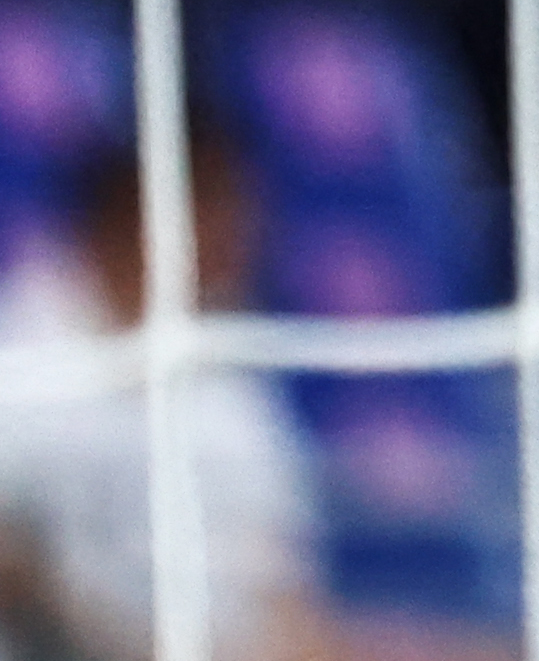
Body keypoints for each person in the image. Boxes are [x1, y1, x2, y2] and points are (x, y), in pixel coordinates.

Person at [0, 135, 323, 661]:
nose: (247, 236)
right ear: (143, 206)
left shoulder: (231, 376)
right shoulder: (18, 342)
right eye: (221, 209)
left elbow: (281, 597)